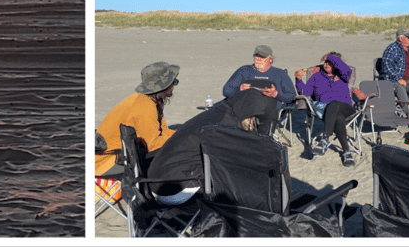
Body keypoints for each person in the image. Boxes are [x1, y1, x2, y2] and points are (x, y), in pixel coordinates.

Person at [146, 88, 279, 193]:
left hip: (156, 180)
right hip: (174, 188)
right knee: (234, 182)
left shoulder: (217, 113)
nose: (253, 122)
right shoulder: (225, 126)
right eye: (252, 117)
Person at [95, 61, 179, 175]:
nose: (175, 85)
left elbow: (162, 131)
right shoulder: (145, 106)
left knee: (180, 132)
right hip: (108, 163)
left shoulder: (148, 100)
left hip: (121, 154)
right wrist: (183, 139)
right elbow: (154, 144)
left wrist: (183, 133)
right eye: (174, 81)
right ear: (164, 85)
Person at [296, 52, 358, 167]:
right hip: (325, 109)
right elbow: (305, 93)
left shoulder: (344, 74)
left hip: (346, 108)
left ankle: (324, 139)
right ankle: (347, 152)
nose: (327, 64)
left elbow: (343, 67)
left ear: (337, 64)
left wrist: (329, 56)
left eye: (331, 62)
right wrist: (298, 80)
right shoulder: (316, 77)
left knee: (334, 104)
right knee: (337, 116)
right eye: (326, 62)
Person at [222, 45, 296, 106]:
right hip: (244, 108)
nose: (258, 59)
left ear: (270, 59)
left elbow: (292, 96)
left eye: (262, 57)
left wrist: (276, 94)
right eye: (256, 56)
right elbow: (226, 91)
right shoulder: (244, 70)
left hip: (269, 110)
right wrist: (239, 90)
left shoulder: (280, 73)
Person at [379, 27, 409, 124]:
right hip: (393, 80)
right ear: (400, 38)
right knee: (400, 89)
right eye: (408, 37)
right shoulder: (392, 48)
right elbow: (386, 66)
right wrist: (397, 78)